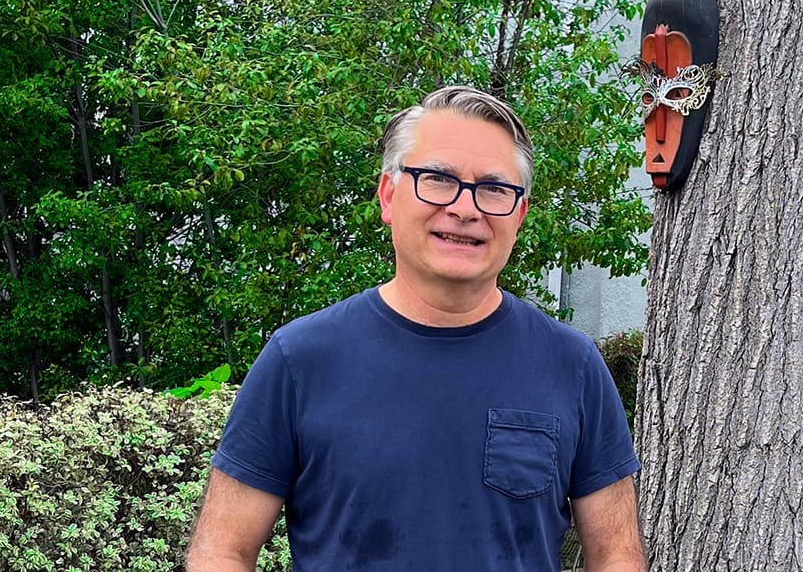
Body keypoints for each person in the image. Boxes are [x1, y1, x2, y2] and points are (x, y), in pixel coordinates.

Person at [184, 86, 646, 571]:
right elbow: (221, 551)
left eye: (494, 189)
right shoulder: (300, 359)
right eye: (438, 179)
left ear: (520, 214)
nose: (466, 209)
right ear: (388, 196)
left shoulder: (572, 365)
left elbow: (617, 555)